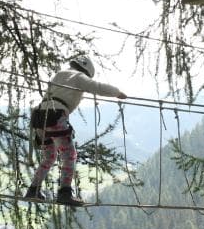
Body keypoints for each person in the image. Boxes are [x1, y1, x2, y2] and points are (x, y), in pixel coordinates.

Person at [24, 55, 127, 206]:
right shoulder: (79, 77)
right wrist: (117, 93)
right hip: (55, 116)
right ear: (86, 71)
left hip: (39, 118)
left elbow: (59, 94)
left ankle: (33, 189)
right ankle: (65, 192)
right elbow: (98, 87)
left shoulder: (59, 75)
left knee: (49, 157)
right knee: (69, 155)